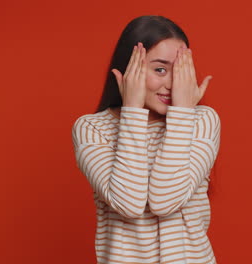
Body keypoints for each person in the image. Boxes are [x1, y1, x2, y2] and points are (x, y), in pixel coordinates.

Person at [71, 15, 221, 264]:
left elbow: (165, 201)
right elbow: (128, 204)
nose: (173, 83)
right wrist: (132, 110)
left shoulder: (202, 121)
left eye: (180, 69)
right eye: (160, 69)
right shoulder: (92, 128)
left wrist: (182, 113)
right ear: (129, 69)